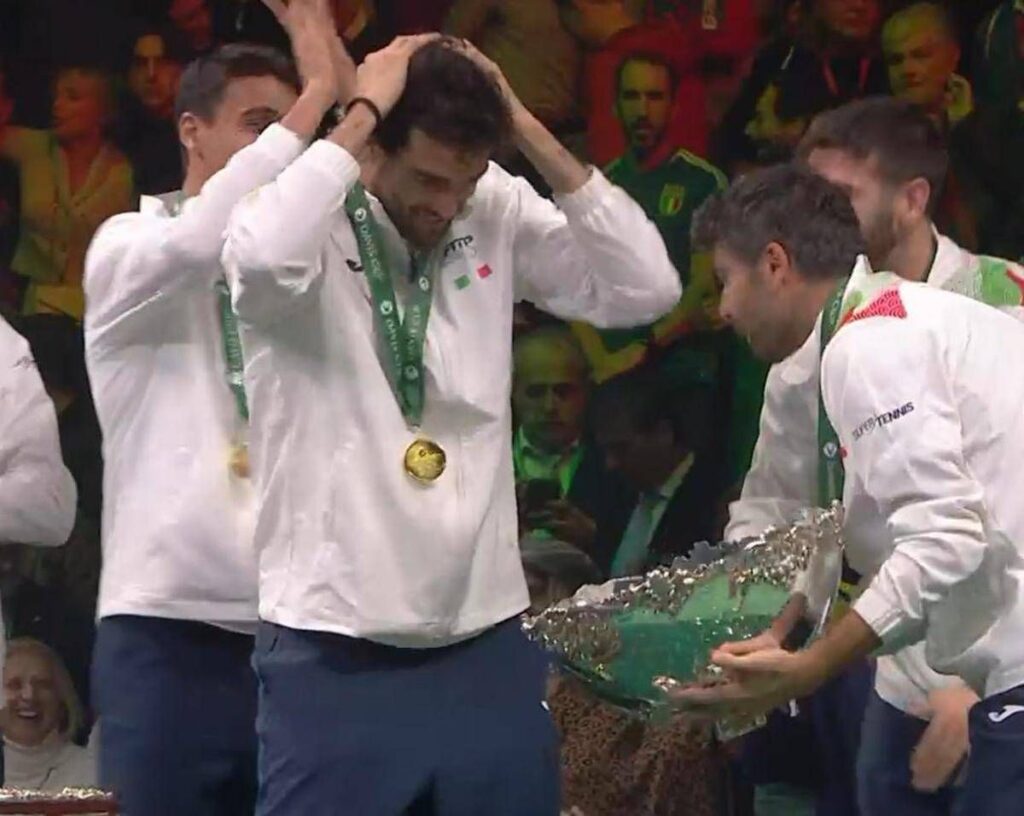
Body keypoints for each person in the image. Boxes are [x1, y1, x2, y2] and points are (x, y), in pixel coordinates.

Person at [221, 31, 680, 815]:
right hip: (335, 645)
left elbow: (646, 288)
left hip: (486, 638)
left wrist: (520, 122)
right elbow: (257, 259)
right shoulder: (306, 211)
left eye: (463, 183)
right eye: (428, 179)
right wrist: (361, 109)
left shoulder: (489, 202)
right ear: (372, 147)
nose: (445, 204)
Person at [677, 161, 1024, 816]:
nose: (722, 309)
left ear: (774, 264)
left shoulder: (869, 345)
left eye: (725, 281)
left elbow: (945, 539)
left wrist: (811, 669)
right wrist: (792, 632)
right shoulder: (900, 318)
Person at [82, 1, 353, 812]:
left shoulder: (303, 265)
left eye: (290, 125)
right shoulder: (128, 246)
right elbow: (205, 237)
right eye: (259, 125)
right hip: (166, 631)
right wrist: (316, 100)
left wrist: (339, 89)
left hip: (302, 630)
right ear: (191, 131)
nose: (285, 144)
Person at [0, 66, 134, 321]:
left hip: (100, 312)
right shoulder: (34, 147)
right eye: (56, 96)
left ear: (104, 111)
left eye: (72, 97)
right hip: (37, 311)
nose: (57, 106)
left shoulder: (124, 172)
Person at [512, 325, 633, 572]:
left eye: (563, 391)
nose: (550, 406)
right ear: (512, 393)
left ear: (586, 392)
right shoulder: (481, 464)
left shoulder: (619, 463)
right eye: (535, 392)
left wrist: (594, 538)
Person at [588, 362, 722, 577]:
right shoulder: (613, 495)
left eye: (621, 449)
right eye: (605, 450)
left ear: (663, 433)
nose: (610, 463)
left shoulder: (714, 499)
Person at [0, 638, 95, 791]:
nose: (29, 695)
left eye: (42, 684)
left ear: (61, 698)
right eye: (14, 685)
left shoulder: (93, 771)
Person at [881, 3, 971, 128]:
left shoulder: (990, 126)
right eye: (895, 60)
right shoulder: (870, 130)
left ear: (953, 56)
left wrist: (962, 123)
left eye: (920, 56)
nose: (906, 70)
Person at [123, 26, 189, 195]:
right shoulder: (117, 140)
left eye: (162, 63)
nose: (151, 75)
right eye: (141, 64)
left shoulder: (199, 137)